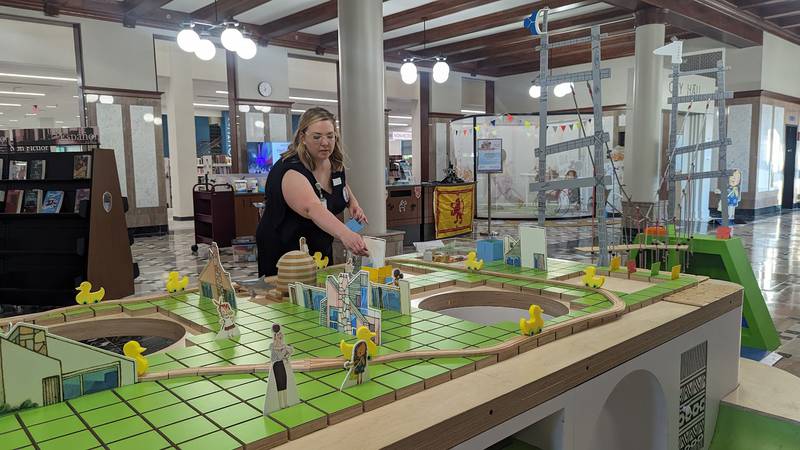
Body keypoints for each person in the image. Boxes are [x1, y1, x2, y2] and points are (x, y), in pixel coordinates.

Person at [256, 107, 369, 277]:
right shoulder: (291, 170)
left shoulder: (333, 163)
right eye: (317, 137)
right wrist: (346, 234)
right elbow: (312, 207)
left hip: (318, 246)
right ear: (303, 137)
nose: (325, 143)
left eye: (330, 136)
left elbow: (340, 185)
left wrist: (353, 203)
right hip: (286, 250)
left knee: (320, 292)